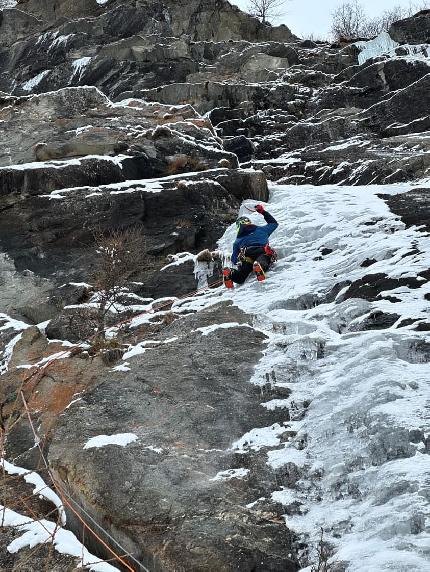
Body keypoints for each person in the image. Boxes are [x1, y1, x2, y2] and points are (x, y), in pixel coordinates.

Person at [223, 204, 278, 288]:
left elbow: (234, 259)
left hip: (247, 255)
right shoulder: (261, 230)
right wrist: (262, 212)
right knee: (264, 258)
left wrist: (238, 261)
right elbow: (274, 223)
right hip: (261, 250)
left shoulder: (237, 241)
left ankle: (231, 273)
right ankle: (259, 265)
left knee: (241, 276)